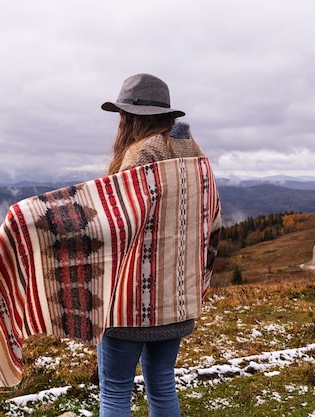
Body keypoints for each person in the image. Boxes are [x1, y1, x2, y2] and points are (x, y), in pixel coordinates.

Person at [98, 73, 217, 416]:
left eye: (122, 115)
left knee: (116, 392)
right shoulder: (196, 153)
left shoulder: (141, 153)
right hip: (177, 297)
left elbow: (116, 226)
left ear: (131, 118)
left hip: (131, 300)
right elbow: (212, 221)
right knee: (162, 382)